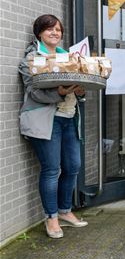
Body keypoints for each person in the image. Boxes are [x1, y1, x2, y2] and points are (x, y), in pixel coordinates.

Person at [19, 14, 88, 239]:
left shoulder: (68, 56)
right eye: (50, 29)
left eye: (58, 29)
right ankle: (51, 218)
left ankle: (65, 211)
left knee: (73, 166)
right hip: (46, 119)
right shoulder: (31, 58)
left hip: (69, 117)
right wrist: (59, 92)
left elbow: (81, 89)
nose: (55, 33)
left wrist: (81, 90)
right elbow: (34, 91)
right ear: (39, 32)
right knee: (51, 170)